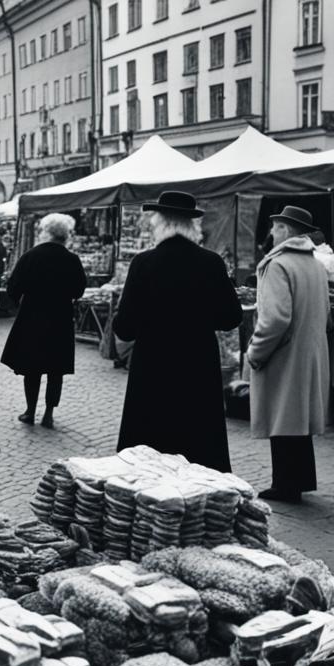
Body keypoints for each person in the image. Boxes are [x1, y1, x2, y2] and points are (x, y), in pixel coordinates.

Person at [114, 191, 242, 471]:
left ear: (161, 223)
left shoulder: (143, 263)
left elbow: (124, 327)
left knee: (149, 453)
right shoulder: (211, 263)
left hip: (152, 367)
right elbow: (231, 317)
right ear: (191, 225)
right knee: (198, 450)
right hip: (197, 366)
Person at [245, 206, 330, 503]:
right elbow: (327, 314)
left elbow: (275, 319)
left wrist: (255, 352)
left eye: (276, 227)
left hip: (285, 354)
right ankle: (301, 479)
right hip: (310, 351)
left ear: (287, 231)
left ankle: (286, 484)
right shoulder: (316, 265)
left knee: (283, 419)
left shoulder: (278, 265)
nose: (271, 232)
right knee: (298, 419)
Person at [0, 213, 88, 428]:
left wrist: (20, 301)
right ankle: (48, 414)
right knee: (55, 368)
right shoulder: (72, 259)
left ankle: (29, 411)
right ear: (65, 235)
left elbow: (12, 288)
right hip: (60, 317)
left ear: (46, 233)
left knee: (32, 367)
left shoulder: (31, 256)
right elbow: (79, 290)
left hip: (33, 316)